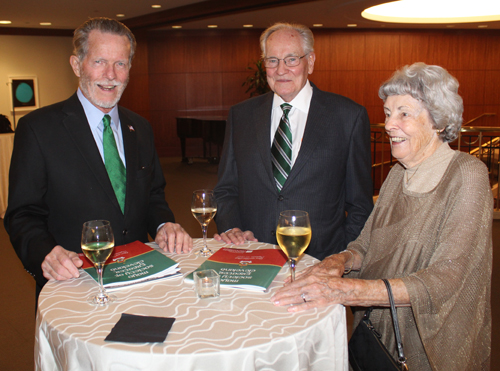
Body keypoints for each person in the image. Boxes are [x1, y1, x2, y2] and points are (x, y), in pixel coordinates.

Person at [271, 62, 492, 370]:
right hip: (381, 334)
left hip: (430, 344)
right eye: (388, 114)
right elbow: (366, 244)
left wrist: (348, 291)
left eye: (404, 113)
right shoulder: (397, 175)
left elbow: (447, 278)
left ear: (438, 121)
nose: (388, 125)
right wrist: (339, 262)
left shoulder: (467, 175)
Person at [4, 17, 192, 298]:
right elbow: (22, 214)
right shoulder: (38, 129)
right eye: (99, 62)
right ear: (77, 65)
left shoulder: (140, 128)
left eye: (121, 63)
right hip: (75, 285)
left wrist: (164, 225)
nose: (111, 75)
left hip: (140, 279)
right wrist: (46, 253)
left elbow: (153, 195)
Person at [213, 22, 373, 260]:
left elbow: (361, 204)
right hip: (252, 256)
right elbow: (226, 189)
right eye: (272, 60)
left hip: (320, 262)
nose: (280, 70)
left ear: (311, 61)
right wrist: (231, 228)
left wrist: (340, 255)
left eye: (291, 59)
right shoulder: (241, 115)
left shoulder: (348, 117)